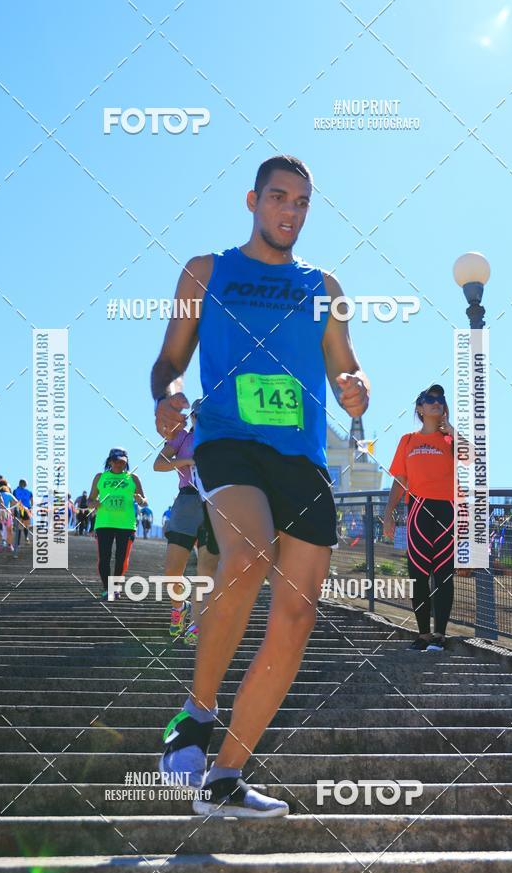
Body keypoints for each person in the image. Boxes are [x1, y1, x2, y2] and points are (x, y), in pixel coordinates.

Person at [151, 155, 369, 817]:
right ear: (253, 200)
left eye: (302, 203)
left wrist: (358, 390)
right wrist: (169, 395)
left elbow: (347, 369)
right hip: (227, 438)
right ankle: (195, 714)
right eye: (279, 198)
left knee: (297, 618)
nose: (290, 212)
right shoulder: (206, 271)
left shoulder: (323, 285)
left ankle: (224, 778)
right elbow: (169, 361)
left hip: (300, 457)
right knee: (247, 554)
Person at [383, 384, 461, 652]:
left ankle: (439, 635)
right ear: (420, 408)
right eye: (430, 399)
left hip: (447, 511)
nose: (436, 403)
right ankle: (423, 634)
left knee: (443, 575)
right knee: (418, 574)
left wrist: (451, 430)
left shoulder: (451, 441)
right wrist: (388, 514)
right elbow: (399, 480)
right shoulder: (407, 440)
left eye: (440, 399)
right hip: (418, 510)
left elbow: (475, 459)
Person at [154, 399, 219, 647]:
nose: (201, 420)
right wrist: (187, 461)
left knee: (206, 570)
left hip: (213, 504)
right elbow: (158, 464)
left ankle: (197, 624)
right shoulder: (182, 438)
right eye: (198, 416)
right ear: (192, 417)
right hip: (186, 502)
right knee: (172, 570)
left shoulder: (220, 440)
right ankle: (179, 607)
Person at [88, 448, 147, 599]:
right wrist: (94, 503)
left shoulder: (132, 477)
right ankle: (107, 588)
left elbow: (144, 501)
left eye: (122, 461)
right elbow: (89, 500)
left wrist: (140, 500)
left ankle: (115, 587)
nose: (119, 463)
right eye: (116, 460)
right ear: (110, 461)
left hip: (126, 524)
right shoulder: (100, 477)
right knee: (104, 557)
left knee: (122, 558)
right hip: (104, 523)